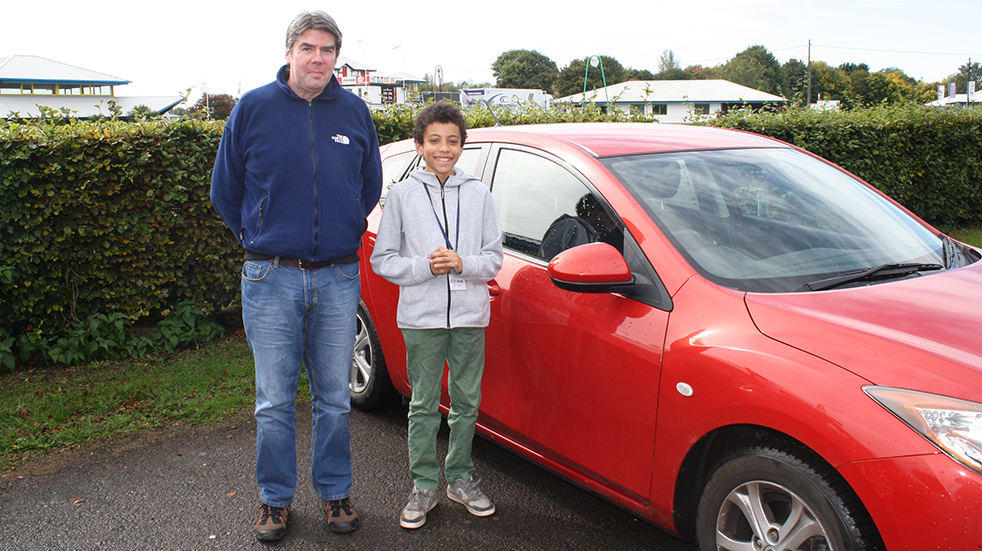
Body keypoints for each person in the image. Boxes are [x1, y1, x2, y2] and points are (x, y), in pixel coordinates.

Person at [209, 10, 382, 542]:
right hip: (271, 278)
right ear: (289, 52)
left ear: (337, 58)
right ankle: (274, 501)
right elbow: (226, 189)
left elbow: (369, 187)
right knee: (273, 400)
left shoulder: (354, 113)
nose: (318, 58)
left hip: (336, 279)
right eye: (308, 48)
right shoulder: (254, 109)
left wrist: (342, 225)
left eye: (328, 50)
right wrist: (259, 236)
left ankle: (335, 493)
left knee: (333, 397)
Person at [370, 101, 503, 529]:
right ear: (419, 144)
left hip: (469, 316)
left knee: (467, 402)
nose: (443, 149)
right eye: (434, 141)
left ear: (462, 145)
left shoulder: (479, 192)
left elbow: (494, 258)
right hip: (421, 318)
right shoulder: (404, 194)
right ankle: (424, 484)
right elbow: (383, 259)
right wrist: (425, 267)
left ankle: (460, 478)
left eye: (452, 141)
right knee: (424, 404)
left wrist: (463, 263)